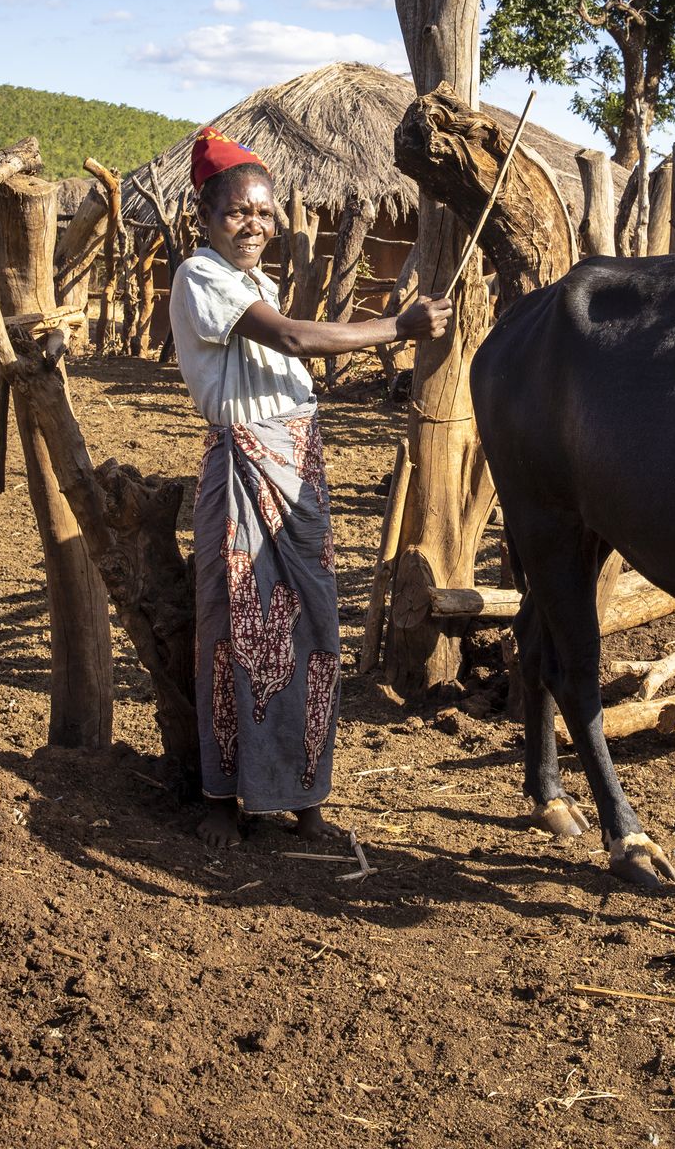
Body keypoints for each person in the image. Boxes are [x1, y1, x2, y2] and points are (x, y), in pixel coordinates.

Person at [168, 129, 452, 848]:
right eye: (239, 212)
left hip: (298, 468)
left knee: (312, 630)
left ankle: (304, 797)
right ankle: (221, 799)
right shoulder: (201, 277)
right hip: (245, 466)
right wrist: (399, 327)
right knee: (238, 629)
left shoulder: (254, 281)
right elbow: (294, 341)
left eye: (265, 213)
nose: (256, 224)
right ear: (206, 214)